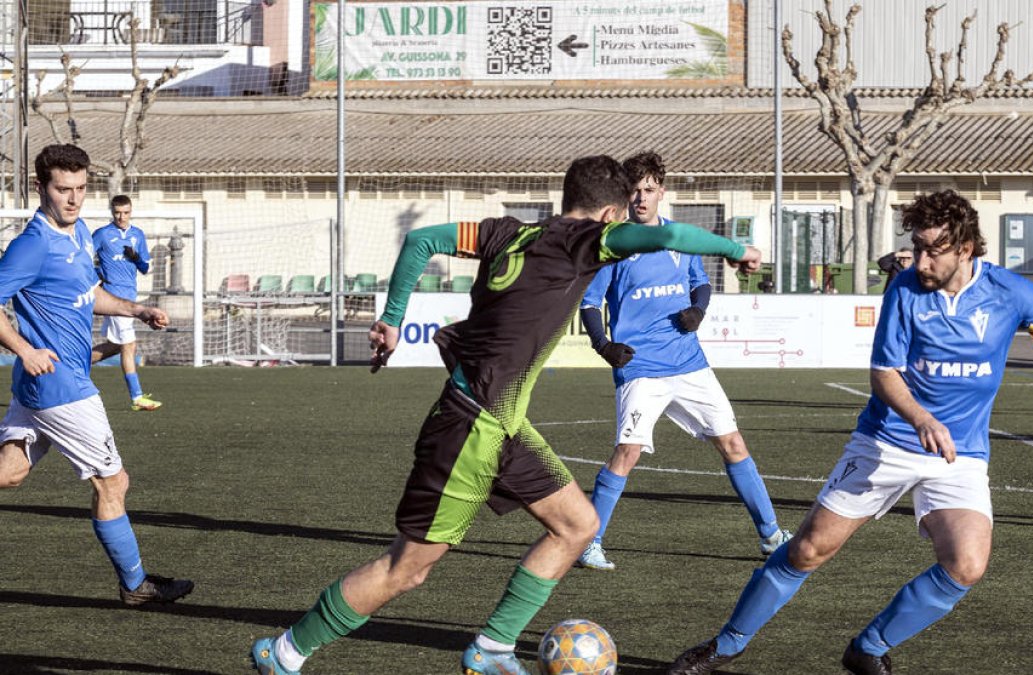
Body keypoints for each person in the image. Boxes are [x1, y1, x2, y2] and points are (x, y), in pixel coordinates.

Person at [249, 155, 763, 675]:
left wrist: (391, 320)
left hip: (503, 425)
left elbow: (421, 240)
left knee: (578, 525)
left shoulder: (504, 233)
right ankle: (285, 653)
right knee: (406, 569)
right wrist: (738, 250)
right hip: (471, 426)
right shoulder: (586, 241)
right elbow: (667, 238)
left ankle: (492, 649)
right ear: (611, 213)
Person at [667, 190, 1033, 675]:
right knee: (809, 549)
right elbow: (884, 374)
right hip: (886, 441)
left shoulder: (1010, 292)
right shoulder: (904, 290)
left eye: (931, 250)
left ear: (965, 248)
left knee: (967, 563)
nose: (918, 260)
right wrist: (921, 418)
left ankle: (869, 648)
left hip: (959, 454)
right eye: (915, 247)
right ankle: (726, 645)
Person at [575, 151, 790, 571]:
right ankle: (589, 542)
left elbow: (701, 283)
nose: (641, 198)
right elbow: (589, 303)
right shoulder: (615, 242)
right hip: (641, 366)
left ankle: (771, 535)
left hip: (689, 362)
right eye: (634, 190)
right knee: (627, 453)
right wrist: (603, 345)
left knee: (733, 444)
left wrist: (698, 311)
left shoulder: (680, 238)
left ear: (662, 193)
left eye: (649, 190)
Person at [0, 144, 193, 606]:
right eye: (63, 189)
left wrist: (136, 308)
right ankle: (135, 585)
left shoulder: (81, 232)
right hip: (61, 387)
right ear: (40, 187)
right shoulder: (33, 244)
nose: (73, 199)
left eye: (81, 189)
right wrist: (24, 349)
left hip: (43, 386)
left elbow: (88, 294)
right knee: (113, 482)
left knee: (10, 472)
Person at [90, 194, 161, 411]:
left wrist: (136, 257)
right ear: (112, 212)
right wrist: (97, 275)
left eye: (126, 212)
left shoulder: (137, 235)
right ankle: (137, 396)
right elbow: (83, 261)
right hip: (113, 298)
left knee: (116, 345)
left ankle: (71, 364)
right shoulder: (101, 235)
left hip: (130, 296)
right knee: (129, 345)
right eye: (117, 212)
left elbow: (146, 268)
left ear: (131, 212)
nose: (121, 217)